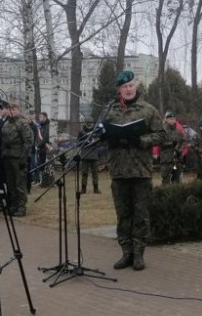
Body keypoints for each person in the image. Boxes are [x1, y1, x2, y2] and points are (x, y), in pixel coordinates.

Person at [104, 69, 165, 271]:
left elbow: (161, 135)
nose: (128, 89)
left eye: (131, 85)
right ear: (119, 90)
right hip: (119, 170)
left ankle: (138, 254)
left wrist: (141, 140)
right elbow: (102, 133)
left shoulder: (148, 110)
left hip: (140, 171)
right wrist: (106, 137)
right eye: (124, 87)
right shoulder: (111, 111)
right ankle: (126, 253)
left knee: (140, 215)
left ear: (136, 85)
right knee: (123, 215)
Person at [1, 103, 33, 216]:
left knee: (20, 183)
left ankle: (21, 206)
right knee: (10, 183)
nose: (11, 112)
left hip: (18, 157)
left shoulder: (22, 124)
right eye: (9, 109)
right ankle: (13, 205)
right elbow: (3, 141)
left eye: (14, 109)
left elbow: (27, 142)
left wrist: (23, 159)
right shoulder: (6, 124)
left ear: (18, 110)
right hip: (7, 157)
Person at [159, 112, 185, 185]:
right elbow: (159, 142)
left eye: (174, 119)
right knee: (166, 180)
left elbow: (183, 141)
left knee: (176, 179)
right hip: (166, 159)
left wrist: (179, 149)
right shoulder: (162, 130)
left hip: (176, 160)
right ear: (166, 119)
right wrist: (171, 143)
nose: (172, 121)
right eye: (170, 119)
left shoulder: (177, 131)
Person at [76, 120, 102, 193]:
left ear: (93, 124)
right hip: (85, 153)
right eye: (88, 123)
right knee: (84, 172)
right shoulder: (81, 132)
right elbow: (78, 143)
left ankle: (96, 188)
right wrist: (85, 142)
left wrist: (94, 142)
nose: (89, 125)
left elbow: (100, 142)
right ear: (86, 124)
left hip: (93, 152)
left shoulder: (96, 131)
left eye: (91, 123)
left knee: (95, 172)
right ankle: (83, 188)